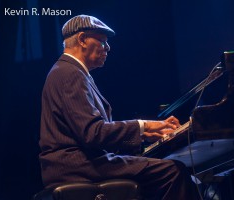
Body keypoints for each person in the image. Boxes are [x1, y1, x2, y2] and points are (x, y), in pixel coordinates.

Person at [39, 14, 198, 200]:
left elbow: (90, 133)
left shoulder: (68, 72)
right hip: (78, 166)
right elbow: (93, 133)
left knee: (162, 172)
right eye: (103, 41)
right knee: (172, 171)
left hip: (78, 164)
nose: (108, 47)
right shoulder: (69, 73)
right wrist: (143, 125)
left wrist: (143, 135)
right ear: (82, 39)